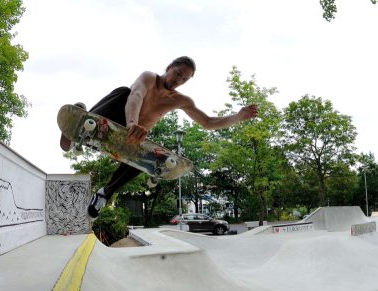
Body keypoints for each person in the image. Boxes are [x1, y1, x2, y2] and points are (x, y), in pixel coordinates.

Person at [60, 56, 258, 218]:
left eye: (184, 80)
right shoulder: (149, 78)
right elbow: (135, 96)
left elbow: (207, 122)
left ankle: (104, 194)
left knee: (148, 156)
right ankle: (80, 123)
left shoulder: (181, 100)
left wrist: (238, 117)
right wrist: (131, 123)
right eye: (177, 74)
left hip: (134, 138)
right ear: (169, 67)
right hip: (121, 119)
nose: (177, 81)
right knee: (123, 92)